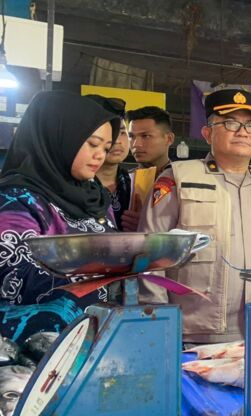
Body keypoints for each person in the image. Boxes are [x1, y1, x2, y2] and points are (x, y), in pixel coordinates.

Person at [138, 89, 251, 344]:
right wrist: (158, 323)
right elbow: (151, 253)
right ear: (207, 133)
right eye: (231, 123)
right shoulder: (179, 178)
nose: (243, 132)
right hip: (193, 334)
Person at [0, 91, 120, 342]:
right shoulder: (16, 201)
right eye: (93, 144)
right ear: (58, 137)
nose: (100, 155)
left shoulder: (96, 198)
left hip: (102, 336)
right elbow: (15, 277)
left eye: (106, 148)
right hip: (37, 347)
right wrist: (108, 271)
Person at [87, 95, 134, 231]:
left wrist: (144, 225)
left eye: (122, 132)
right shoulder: (74, 188)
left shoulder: (136, 185)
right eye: (110, 133)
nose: (117, 141)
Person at [127, 106, 174, 175]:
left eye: (146, 136)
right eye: (131, 136)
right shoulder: (123, 180)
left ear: (169, 139)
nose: (136, 144)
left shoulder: (185, 178)